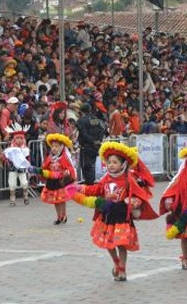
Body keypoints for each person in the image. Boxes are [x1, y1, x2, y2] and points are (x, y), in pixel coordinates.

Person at [71, 142, 158, 281]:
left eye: (115, 162)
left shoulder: (128, 180)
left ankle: (122, 268)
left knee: (121, 244)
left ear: (123, 164)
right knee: (108, 243)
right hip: (107, 217)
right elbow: (96, 189)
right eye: (109, 162)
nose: (111, 165)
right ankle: (116, 262)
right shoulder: (106, 179)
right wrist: (80, 188)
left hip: (122, 218)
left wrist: (132, 203)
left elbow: (140, 196)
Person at [29, 133, 76, 225]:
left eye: (56, 146)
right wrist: (41, 172)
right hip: (52, 181)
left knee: (62, 199)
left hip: (60, 181)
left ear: (61, 147)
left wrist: (68, 173)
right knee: (55, 200)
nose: (54, 148)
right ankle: (58, 216)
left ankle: (64, 215)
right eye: (52, 146)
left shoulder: (64, 158)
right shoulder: (50, 158)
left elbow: (70, 168)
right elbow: (44, 167)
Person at [2, 123, 31, 207]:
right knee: (12, 183)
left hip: (22, 169)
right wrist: (6, 160)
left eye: (21, 138)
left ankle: (25, 196)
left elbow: (28, 158)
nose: (19, 140)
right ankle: (12, 199)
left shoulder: (25, 149)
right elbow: (6, 156)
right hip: (12, 168)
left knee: (24, 183)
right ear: (14, 139)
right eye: (17, 138)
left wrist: (29, 167)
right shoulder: (10, 148)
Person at [77, 103, 104, 185]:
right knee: (92, 166)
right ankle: (91, 184)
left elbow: (84, 134)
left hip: (86, 146)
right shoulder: (96, 120)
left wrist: (92, 141)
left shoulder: (82, 121)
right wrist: (97, 142)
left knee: (85, 166)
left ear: (82, 111)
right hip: (95, 147)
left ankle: (89, 186)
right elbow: (102, 131)